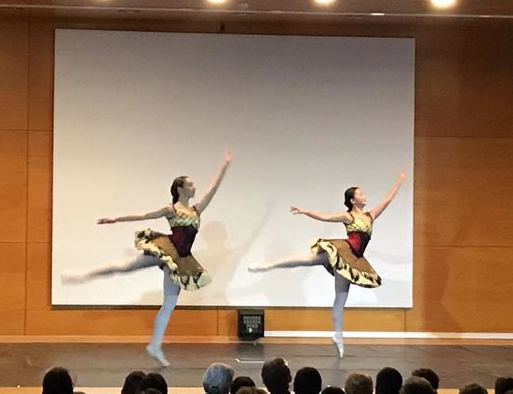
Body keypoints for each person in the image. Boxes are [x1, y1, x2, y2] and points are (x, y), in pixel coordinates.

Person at [62, 151, 232, 366]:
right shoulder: (171, 209)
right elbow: (143, 215)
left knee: (169, 304)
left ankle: (155, 346)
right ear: (180, 189)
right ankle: (81, 275)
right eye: (190, 185)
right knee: (125, 266)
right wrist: (115, 219)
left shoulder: (197, 210)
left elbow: (213, 189)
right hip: (166, 248)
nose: (194, 188)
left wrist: (225, 166)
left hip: (181, 260)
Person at [249, 171, 405, 356]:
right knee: (308, 260)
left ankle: (338, 336)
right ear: (353, 200)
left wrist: (398, 182)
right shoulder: (349, 217)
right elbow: (326, 217)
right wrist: (306, 211)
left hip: (354, 261)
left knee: (341, 298)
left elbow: (387, 200)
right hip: (342, 251)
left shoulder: (370, 216)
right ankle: (266, 265)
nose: (364, 196)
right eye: (360, 194)